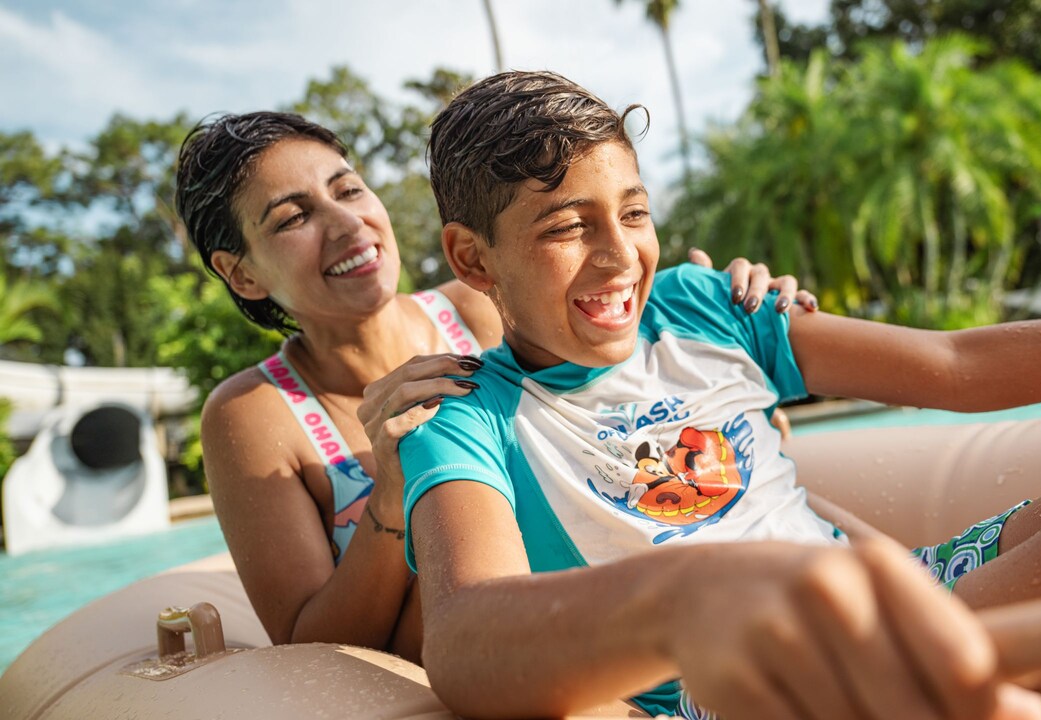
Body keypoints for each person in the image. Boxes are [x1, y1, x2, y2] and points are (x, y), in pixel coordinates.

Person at [399, 69, 1041, 720]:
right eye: (565, 227)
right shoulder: (469, 416)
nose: (619, 254)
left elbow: (956, 367)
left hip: (912, 589)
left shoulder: (707, 308)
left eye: (632, 212)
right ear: (474, 258)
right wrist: (684, 599)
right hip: (757, 686)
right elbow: (467, 638)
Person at [173, 111, 807, 664]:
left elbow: (631, 343)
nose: (347, 225)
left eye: (349, 190)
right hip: (485, 667)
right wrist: (392, 498)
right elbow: (308, 647)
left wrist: (730, 319)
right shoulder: (254, 414)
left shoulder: (481, 306)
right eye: (294, 218)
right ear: (243, 274)